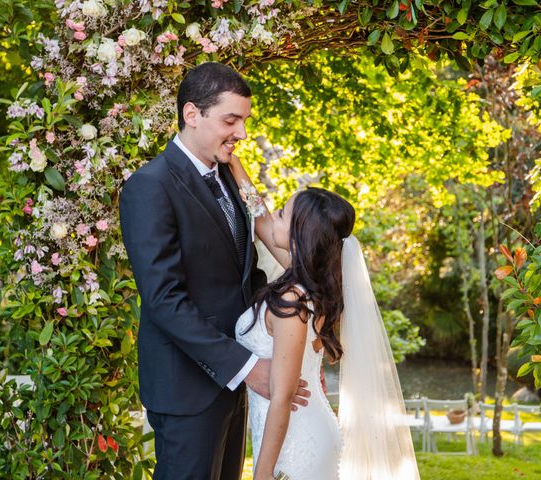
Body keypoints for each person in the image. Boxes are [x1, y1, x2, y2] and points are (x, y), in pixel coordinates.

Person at [119, 62, 309, 480]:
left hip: (236, 386)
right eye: (231, 120)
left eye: (244, 121)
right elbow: (164, 299)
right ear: (192, 114)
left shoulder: (228, 178)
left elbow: (246, 276)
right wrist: (246, 367)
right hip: (188, 389)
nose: (241, 133)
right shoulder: (150, 186)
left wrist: (286, 355)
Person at [231, 159, 421, 479]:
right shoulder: (310, 284)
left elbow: (283, 397)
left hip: (296, 444)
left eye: (282, 214)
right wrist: (234, 163)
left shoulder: (293, 301)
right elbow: (260, 218)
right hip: (303, 432)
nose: (273, 215)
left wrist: (260, 474)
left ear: (297, 235)